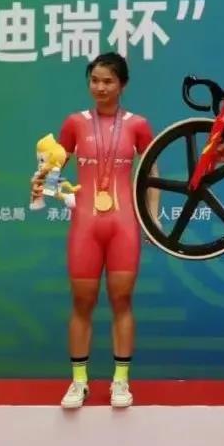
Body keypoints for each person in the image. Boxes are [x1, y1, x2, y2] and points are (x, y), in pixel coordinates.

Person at [50, 52, 157, 409]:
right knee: (82, 302)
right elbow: (52, 169)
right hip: (86, 226)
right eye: (94, 80)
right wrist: (55, 189)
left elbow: (151, 174)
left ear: (122, 84)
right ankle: (78, 382)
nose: (100, 87)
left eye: (108, 81)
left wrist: (152, 219)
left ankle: (120, 381)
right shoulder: (74, 123)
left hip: (123, 226)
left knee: (121, 301)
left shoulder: (138, 124)